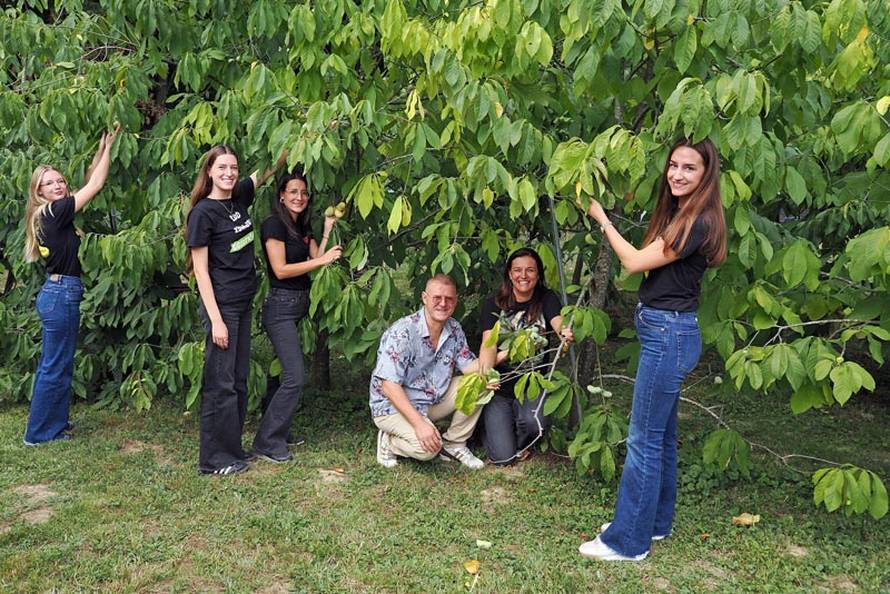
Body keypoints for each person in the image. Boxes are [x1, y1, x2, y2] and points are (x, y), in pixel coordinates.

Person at [578, 138, 727, 561]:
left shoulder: (698, 220)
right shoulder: (686, 213)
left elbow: (634, 262)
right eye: (674, 165)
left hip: (669, 336)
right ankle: (654, 523)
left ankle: (628, 542)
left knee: (644, 439)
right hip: (668, 333)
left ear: (706, 175)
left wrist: (602, 220)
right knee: (661, 437)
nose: (677, 174)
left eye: (690, 168)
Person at [185, 144, 286, 476]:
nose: (229, 174)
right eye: (222, 168)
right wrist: (216, 321)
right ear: (209, 171)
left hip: (241, 305)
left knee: (238, 381)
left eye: (234, 168)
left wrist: (299, 136)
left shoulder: (239, 197)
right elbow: (200, 270)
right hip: (222, 308)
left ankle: (232, 450)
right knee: (220, 384)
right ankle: (214, 460)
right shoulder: (203, 213)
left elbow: (268, 169)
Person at [23, 127, 120, 446]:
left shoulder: (50, 213)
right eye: (49, 183)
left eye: (60, 180)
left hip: (58, 293)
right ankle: (38, 434)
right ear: (38, 191)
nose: (58, 185)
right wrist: (111, 148)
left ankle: (55, 425)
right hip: (60, 294)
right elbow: (96, 184)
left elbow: (87, 182)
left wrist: (101, 148)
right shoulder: (53, 211)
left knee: (60, 364)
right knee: (54, 367)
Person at [252, 170, 342, 462]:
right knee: (294, 376)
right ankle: (267, 441)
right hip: (279, 306)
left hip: (298, 306)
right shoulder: (273, 225)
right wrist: (321, 259)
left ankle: (275, 428)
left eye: (303, 193)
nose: (299, 197)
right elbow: (280, 270)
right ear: (281, 195)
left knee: (280, 375)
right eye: (293, 192)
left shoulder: (301, 226)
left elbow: (317, 258)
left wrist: (326, 229)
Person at [369, 274, 486, 470]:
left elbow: (470, 367)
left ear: (456, 301)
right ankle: (389, 442)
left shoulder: (454, 328)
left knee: (480, 381)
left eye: (449, 299)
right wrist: (419, 425)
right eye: (437, 298)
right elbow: (388, 386)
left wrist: (507, 351)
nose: (443, 303)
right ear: (424, 298)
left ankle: (455, 444)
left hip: (429, 400)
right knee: (429, 450)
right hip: (392, 407)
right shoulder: (403, 332)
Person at [477, 247, 573, 464]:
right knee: (503, 458)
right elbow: (488, 344)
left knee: (534, 424)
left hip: (532, 385)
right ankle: (489, 429)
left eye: (530, 270)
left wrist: (565, 333)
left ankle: (517, 430)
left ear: (538, 274)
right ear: (509, 274)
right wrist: (486, 374)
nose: (523, 276)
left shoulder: (547, 298)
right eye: (517, 270)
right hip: (501, 388)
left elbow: (557, 321)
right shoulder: (493, 303)